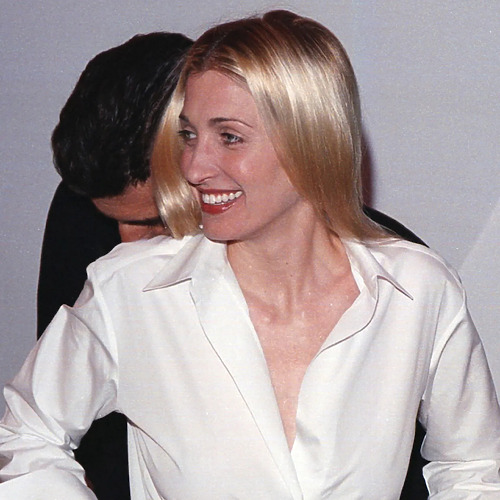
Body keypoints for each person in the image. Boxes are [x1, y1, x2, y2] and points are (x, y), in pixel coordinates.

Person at [1, 10, 499, 498]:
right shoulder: (128, 289)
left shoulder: (416, 289)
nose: (194, 167)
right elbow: (22, 440)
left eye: (230, 137)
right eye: (188, 135)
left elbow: (475, 468)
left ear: (311, 139)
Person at [36, 32, 192, 500]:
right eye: (114, 222)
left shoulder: (375, 269)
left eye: (155, 220)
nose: (127, 244)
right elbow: (59, 422)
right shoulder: (81, 208)